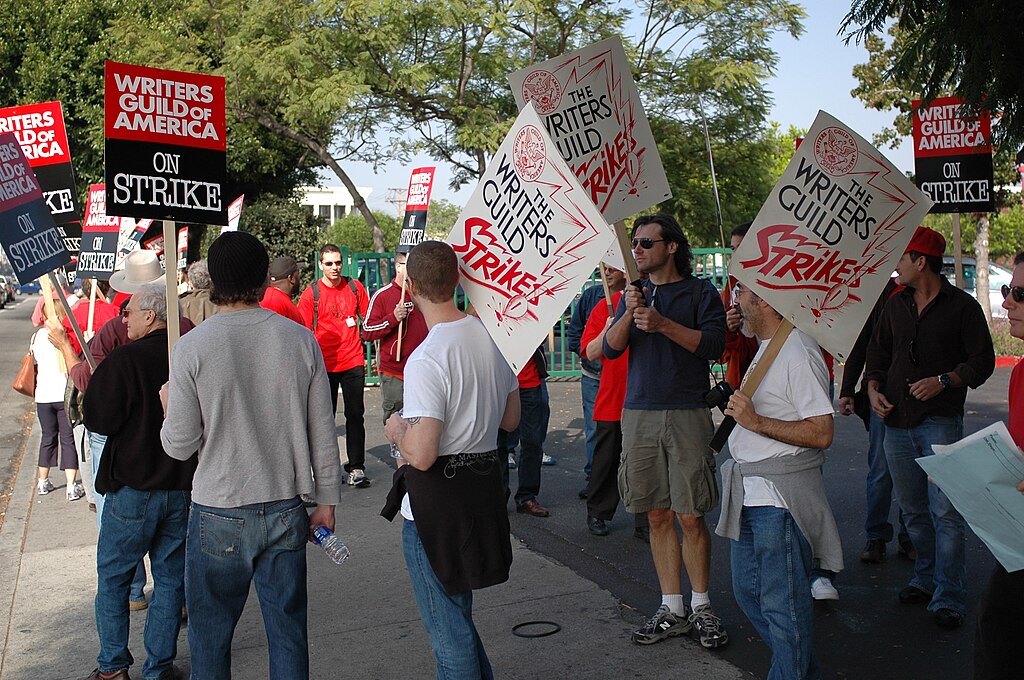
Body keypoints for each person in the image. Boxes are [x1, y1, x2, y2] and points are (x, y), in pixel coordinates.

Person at [161, 231, 343, 679]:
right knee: (287, 632)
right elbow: (323, 431)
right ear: (264, 279)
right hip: (285, 505)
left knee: (209, 637)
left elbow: (178, 445)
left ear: (213, 283)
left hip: (218, 508)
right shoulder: (301, 341)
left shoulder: (191, 347)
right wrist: (327, 502)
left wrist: (168, 406)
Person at [382, 240, 519, 679]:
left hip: (436, 505)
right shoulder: (491, 337)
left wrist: (396, 428)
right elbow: (512, 419)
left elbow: (421, 455)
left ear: (412, 286)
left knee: (448, 632)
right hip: (480, 491)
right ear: (457, 280)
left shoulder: (427, 356)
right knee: (456, 619)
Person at [603, 214, 729, 649]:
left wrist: (662, 324)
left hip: (688, 412)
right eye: (634, 243)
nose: (636, 249)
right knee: (656, 512)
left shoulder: (700, 292)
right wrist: (630, 311)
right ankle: (671, 607)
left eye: (645, 243)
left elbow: (714, 346)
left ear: (672, 246)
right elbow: (610, 349)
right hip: (639, 412)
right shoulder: (634, 294)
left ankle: (702, 605)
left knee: (690, 514)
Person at [866, 226, 996, 629]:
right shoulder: (894, 303)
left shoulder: (962, 307)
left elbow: (983, 361)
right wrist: (872, 387)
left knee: (946, 512)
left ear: (921, 261)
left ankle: (949, 595)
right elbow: (878, 352)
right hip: (895, 422)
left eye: (902, 258)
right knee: (914, 510)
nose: (896, 266)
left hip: (939, 421)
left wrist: (945, 380)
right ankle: (925, 577)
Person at [716, 281, 842, 680]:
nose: (736, 303)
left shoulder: (798, 351)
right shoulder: (767, 348)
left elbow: (821, 432)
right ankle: (804, 672)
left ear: (764, 300)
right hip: (751, 492)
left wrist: (755, 422)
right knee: (750, 593)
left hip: (778, 499)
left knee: (782, 606)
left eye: (741, 296)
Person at [82, 284, 197, 680]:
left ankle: (113, 666)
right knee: (168, 581)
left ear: (151, 315)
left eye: (128, 311)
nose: (123, 318)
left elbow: (98, 420)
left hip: (134, 489)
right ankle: (159, 666)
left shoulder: (125, 360)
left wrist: (98, 386)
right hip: (180, 484)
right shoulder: (187, 356)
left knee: (114, 579)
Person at [838, 279, 914, 564]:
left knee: (915, 472)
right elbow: (864, 343)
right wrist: (848, 389)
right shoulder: (883, 292)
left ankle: (910, 537)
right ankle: (876, 535)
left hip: (919, 401)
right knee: (881, 472)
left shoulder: (940, 300)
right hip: (882, 396)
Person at [974, 250, 1024, 679]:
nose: (1007, 302)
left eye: (1019, 294)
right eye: (1008, 290)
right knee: (997, 636)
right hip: (1018, 537)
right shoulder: (1022, 372)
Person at [579, 269, 647, 538]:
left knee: (645, 463)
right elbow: (590, 352)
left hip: (647, 398)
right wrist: (607, 330)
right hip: (613, 398)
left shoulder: (658, 303)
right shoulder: (606, 305)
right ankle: (597, 512)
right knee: (606, 461)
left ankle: (645, 521)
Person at [298, 244, 371, 488]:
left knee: (355, 416)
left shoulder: (354, 286)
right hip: (324, 366)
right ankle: (326, 470)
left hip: (352, 362)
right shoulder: (312, 294)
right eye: (329, 263)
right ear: (320, 265)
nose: (334, 268)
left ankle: (356, 467)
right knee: (324, 419)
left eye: (338, 262)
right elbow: (301, 331)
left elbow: (368, 318)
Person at [362, 250, 428, 424]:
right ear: (399, 268)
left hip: (422, 372)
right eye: (411, 265)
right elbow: (367, 331)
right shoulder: (383, 296)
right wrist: (393, 318)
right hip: (395, 373)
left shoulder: (423, 294)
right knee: (396, 424)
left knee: (421, 423)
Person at [31, 302, 82, 501]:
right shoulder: (65, 335)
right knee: (67, 439)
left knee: (48, 437)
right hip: (63, 394)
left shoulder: (37, 337)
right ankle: (71, 486)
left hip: (42, 394)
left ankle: (43, 482)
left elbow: (35, 361)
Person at [566, 270, 609, 484]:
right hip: (593, 376)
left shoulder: (639, 297)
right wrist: (589, 353)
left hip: (624, 380)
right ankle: (594, 480)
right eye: (605, 268)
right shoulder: (591, 296)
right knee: (594, 429)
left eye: (613, 268)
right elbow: (573, 335)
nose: (608, 272)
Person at [500, 347, 553, 517]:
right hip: (499, 379)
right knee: (497, 443)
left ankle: (527, 497)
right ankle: (499, 497)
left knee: (533, 442)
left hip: (529, 381)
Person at [719, 222, 759, 390]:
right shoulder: (730, 287)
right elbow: (721, 353)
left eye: (741, 248)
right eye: (733, 249)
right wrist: (728, 327)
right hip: (739, 376)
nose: (736, 254)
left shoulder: (775, 284)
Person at [260, 255, 304, 324]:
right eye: (297, 274)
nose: (299, 277)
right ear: (291, 278)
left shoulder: (276, 297)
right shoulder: (273, 302)